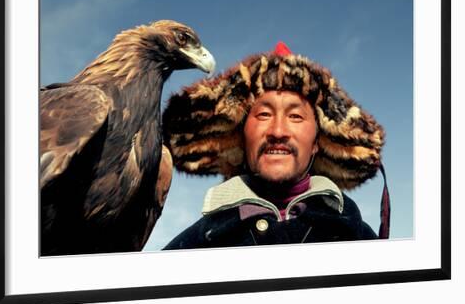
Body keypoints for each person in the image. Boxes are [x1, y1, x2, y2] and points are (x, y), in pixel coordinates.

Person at [161, 41, 390, 249]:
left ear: (317, 142)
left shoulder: (361, 241)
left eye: (296, 117)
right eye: (263, 114)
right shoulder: (191, 249)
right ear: (242, 136)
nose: (278, 132)